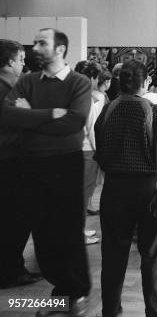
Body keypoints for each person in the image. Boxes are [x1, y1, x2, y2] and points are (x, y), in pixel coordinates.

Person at [1, 28, 92, 316]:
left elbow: (74, 123)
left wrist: (29, 117)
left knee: (65, 231)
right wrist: (52, 113)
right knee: (42, 234)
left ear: (61, 50)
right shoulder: (27, 81)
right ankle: (62, 296)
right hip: (32, 162)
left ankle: (73, 294)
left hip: (65, 162)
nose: (35, 47)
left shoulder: (78, 83)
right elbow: (7, 113)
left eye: (42, 43)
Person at [94, 60, 157, 317]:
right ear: (146, 83)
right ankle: (156, 311)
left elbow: (100, 150)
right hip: (148, 189)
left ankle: (110, 310)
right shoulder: (154, 111)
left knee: (112, 253)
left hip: (113, 189)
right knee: (152, 254)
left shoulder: (107, 110)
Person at [0, 39, 43, 289]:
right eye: (20, 59)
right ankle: (11, 271)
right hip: (10, 164)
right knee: (16, 220)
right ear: (8, 62)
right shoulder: (8, 92)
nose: (23, 64)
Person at [79, 61, 106, 243]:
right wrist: (101, 153)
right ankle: (78, 232)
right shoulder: (86, 97)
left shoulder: (74, 93)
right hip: (87, 150)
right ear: (93, 78)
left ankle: (79, 229)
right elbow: (92, 129)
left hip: (75, 149)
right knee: (84, 192)